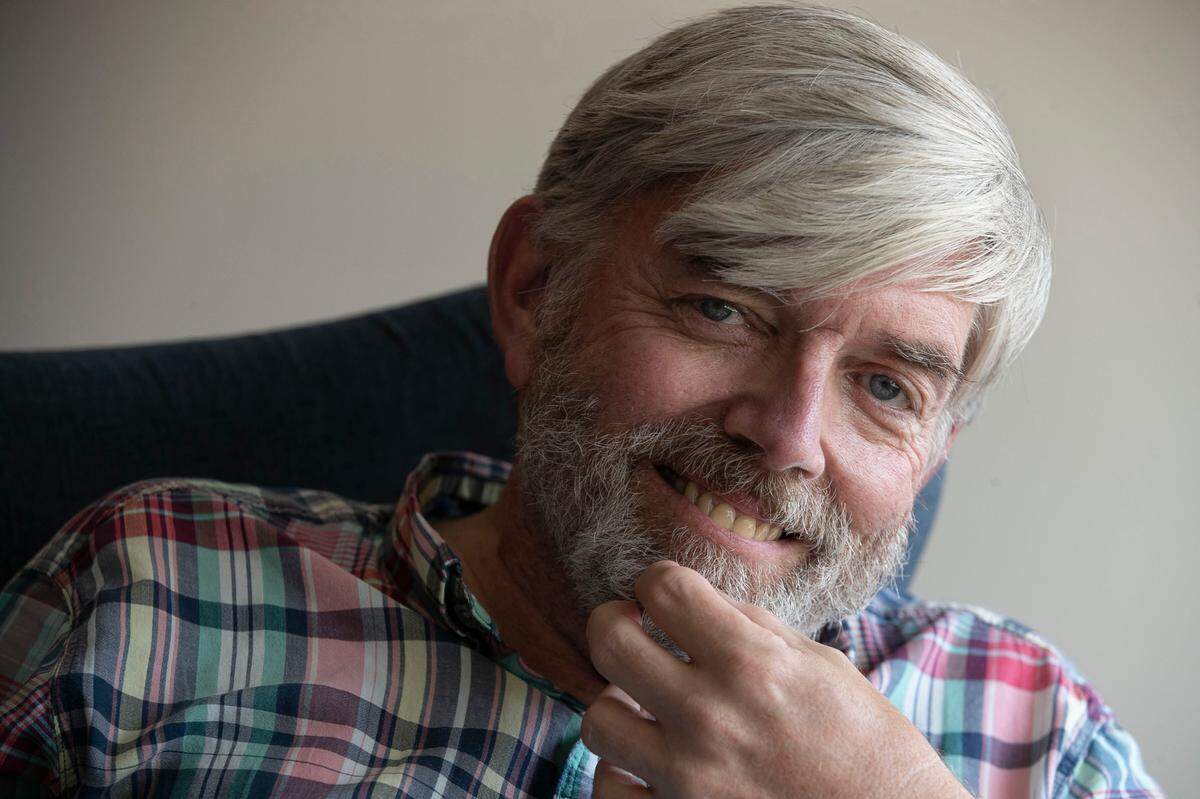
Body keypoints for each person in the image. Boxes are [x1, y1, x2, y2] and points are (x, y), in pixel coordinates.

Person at [0, 4, 1163, 798]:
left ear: (940, 442)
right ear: (532, 287)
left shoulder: (1034, 733)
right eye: (724, 308)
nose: (789, 434)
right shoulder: (147, 602)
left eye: (885, 385)